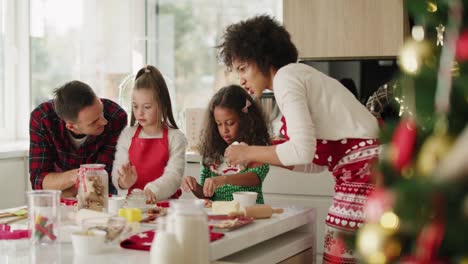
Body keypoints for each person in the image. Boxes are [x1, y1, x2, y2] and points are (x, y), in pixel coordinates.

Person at [218, 15, 380, 263]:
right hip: (365, 173)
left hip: (364, 175)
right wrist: (265, 157)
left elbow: (302, 151)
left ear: (264, 58)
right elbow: (314, 162)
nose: (241, 80)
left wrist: (249, 152)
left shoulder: (286, 78)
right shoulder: (298, 77)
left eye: (243, 68)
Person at [29, 80, 128, 197]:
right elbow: (39, 181)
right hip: (62, 205)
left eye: (102, 112)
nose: (104, 121)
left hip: (100, 200)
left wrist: (61, 189)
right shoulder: (42, 119)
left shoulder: (116, 116)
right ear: (72, 127)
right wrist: (74, 176)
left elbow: (103, 178)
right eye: (94, 121)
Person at [181, 85, 270, 203]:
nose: (224, 130)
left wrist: (224, 179)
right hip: (221, 217)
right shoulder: (212, 152)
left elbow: (255, 178)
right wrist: (194, 186)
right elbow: (206, 194)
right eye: (219, 124)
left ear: (245, 120)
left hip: (249, 212)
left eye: (230, 123)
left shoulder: (255, 148)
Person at [111, 65, 187, 203]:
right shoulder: (127, 135)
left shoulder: (176, 138)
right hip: (134, 207)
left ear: (162, 105)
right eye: (135, 106)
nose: (140, 113)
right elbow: (118, 172)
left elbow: (174, 176)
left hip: (166, 207)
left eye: (147, 107)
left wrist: (153, 190)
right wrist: (123, 182)